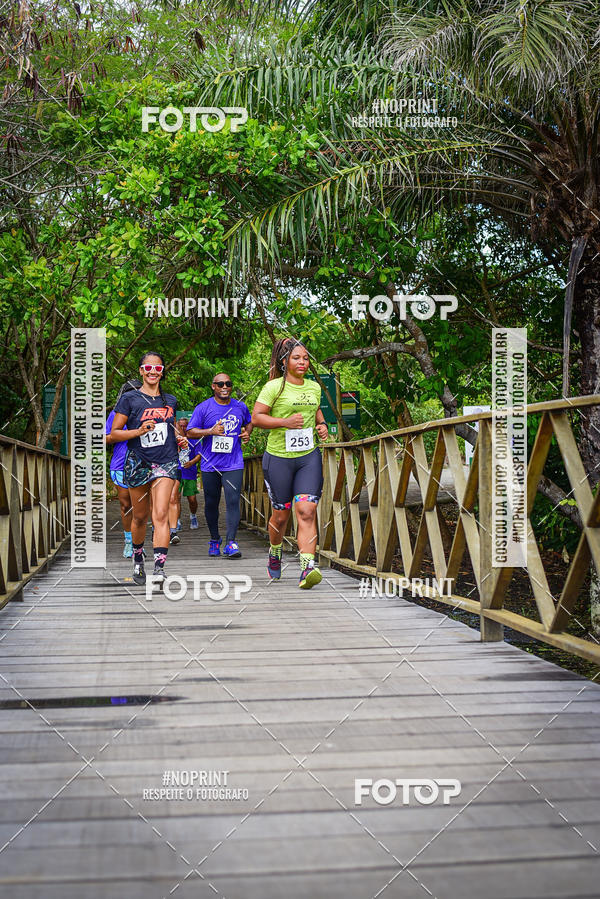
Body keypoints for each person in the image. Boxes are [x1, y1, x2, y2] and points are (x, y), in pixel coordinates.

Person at [252, 338, 328, 589]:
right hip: (279, 459)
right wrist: (284, 422)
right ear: (285, 362)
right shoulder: (274, 387)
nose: (303, 362)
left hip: (308, 456)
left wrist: (322, 425)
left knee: (306, 510)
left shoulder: (314, 387)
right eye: (297, 358)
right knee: (281, 515)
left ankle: (308, 566)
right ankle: (275, 549)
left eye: (306, 358)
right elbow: (258, 418)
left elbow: (316, 412)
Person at [110, 351, 188, 585]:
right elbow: (114, 434)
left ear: (162, 372)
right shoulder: (129, 399)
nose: (153, 372)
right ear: (141, 371)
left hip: (166, 461)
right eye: (148, 368)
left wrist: (180, 439)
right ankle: (137, 559)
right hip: (138, 462)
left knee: (161, 514)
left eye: (158, 369)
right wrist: (139, 431)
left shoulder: (170, 400)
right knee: (140, 517)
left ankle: (159, 567)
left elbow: (170, 428)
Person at [186, 373, 252, 558]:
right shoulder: (204, 408)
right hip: (210, 464)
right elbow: (190, 432)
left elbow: (249, 422)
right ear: (213, 386)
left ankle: (231, 542)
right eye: (220, 384)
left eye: (228, 383)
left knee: (232, 500)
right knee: (212, 503)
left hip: (233, 463)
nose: (225, 386)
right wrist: (210, 431)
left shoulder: (240, 406)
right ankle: (215, 539)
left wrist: (247, 433)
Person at [105, 379, 142, 558]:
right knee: (126, 504)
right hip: (121, 464)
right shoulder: (116, 414)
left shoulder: (149, 411)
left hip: (145, 463)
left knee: (142, 506)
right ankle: (129, 541)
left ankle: (139, 544)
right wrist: (126, 434)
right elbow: (105, 438)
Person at [177, 417, 201, 530]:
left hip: (190, 472)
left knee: (192, 499)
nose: (183, 428)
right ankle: (176, 521)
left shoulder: (194, 439)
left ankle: (193, 516)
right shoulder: (174, 440)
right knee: (175, 498)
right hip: (176, 472)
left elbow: (199, 454)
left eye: (185, 426)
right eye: (180, 426)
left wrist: (192, 462)